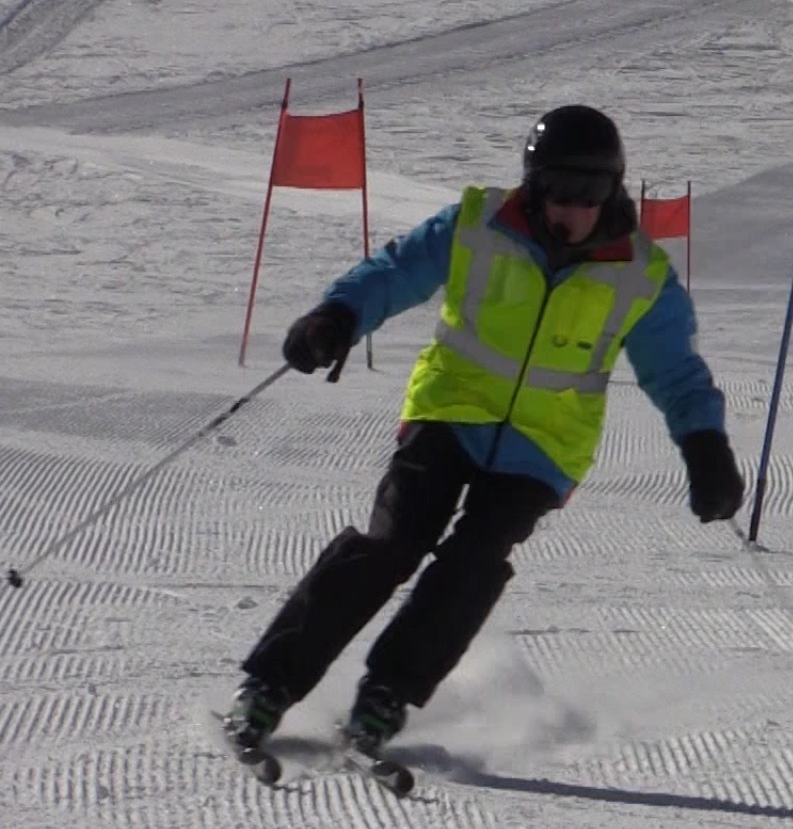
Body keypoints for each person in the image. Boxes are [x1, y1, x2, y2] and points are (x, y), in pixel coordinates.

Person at [223, 105, 745, 756]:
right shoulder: (478, 224)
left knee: (472, 561)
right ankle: (269, 685)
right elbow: (396, 271)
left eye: (588, 192)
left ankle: (387, 692)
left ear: (614, 191)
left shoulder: (641, 276)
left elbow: (678, 373)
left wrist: (704, 445)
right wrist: (337, 315)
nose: (569, 207)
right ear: (532, 184)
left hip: (543, 448)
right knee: (391, 543)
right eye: (555, 188)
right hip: (449, 413)